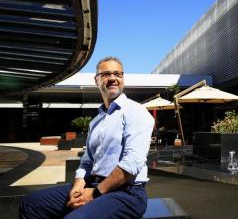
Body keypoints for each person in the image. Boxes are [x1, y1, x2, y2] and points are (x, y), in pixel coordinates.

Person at [20, 57, 155, 219]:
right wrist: (78, 187)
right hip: (93, 184)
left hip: (126, 193)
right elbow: (87, 162)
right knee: (31, 203)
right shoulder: (96, 121)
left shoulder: (137, 112)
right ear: (96, 80)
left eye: (117, 74)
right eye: (105, 74)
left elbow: (131, 163)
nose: (112, 78)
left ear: (123, 79)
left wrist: (94, 194)